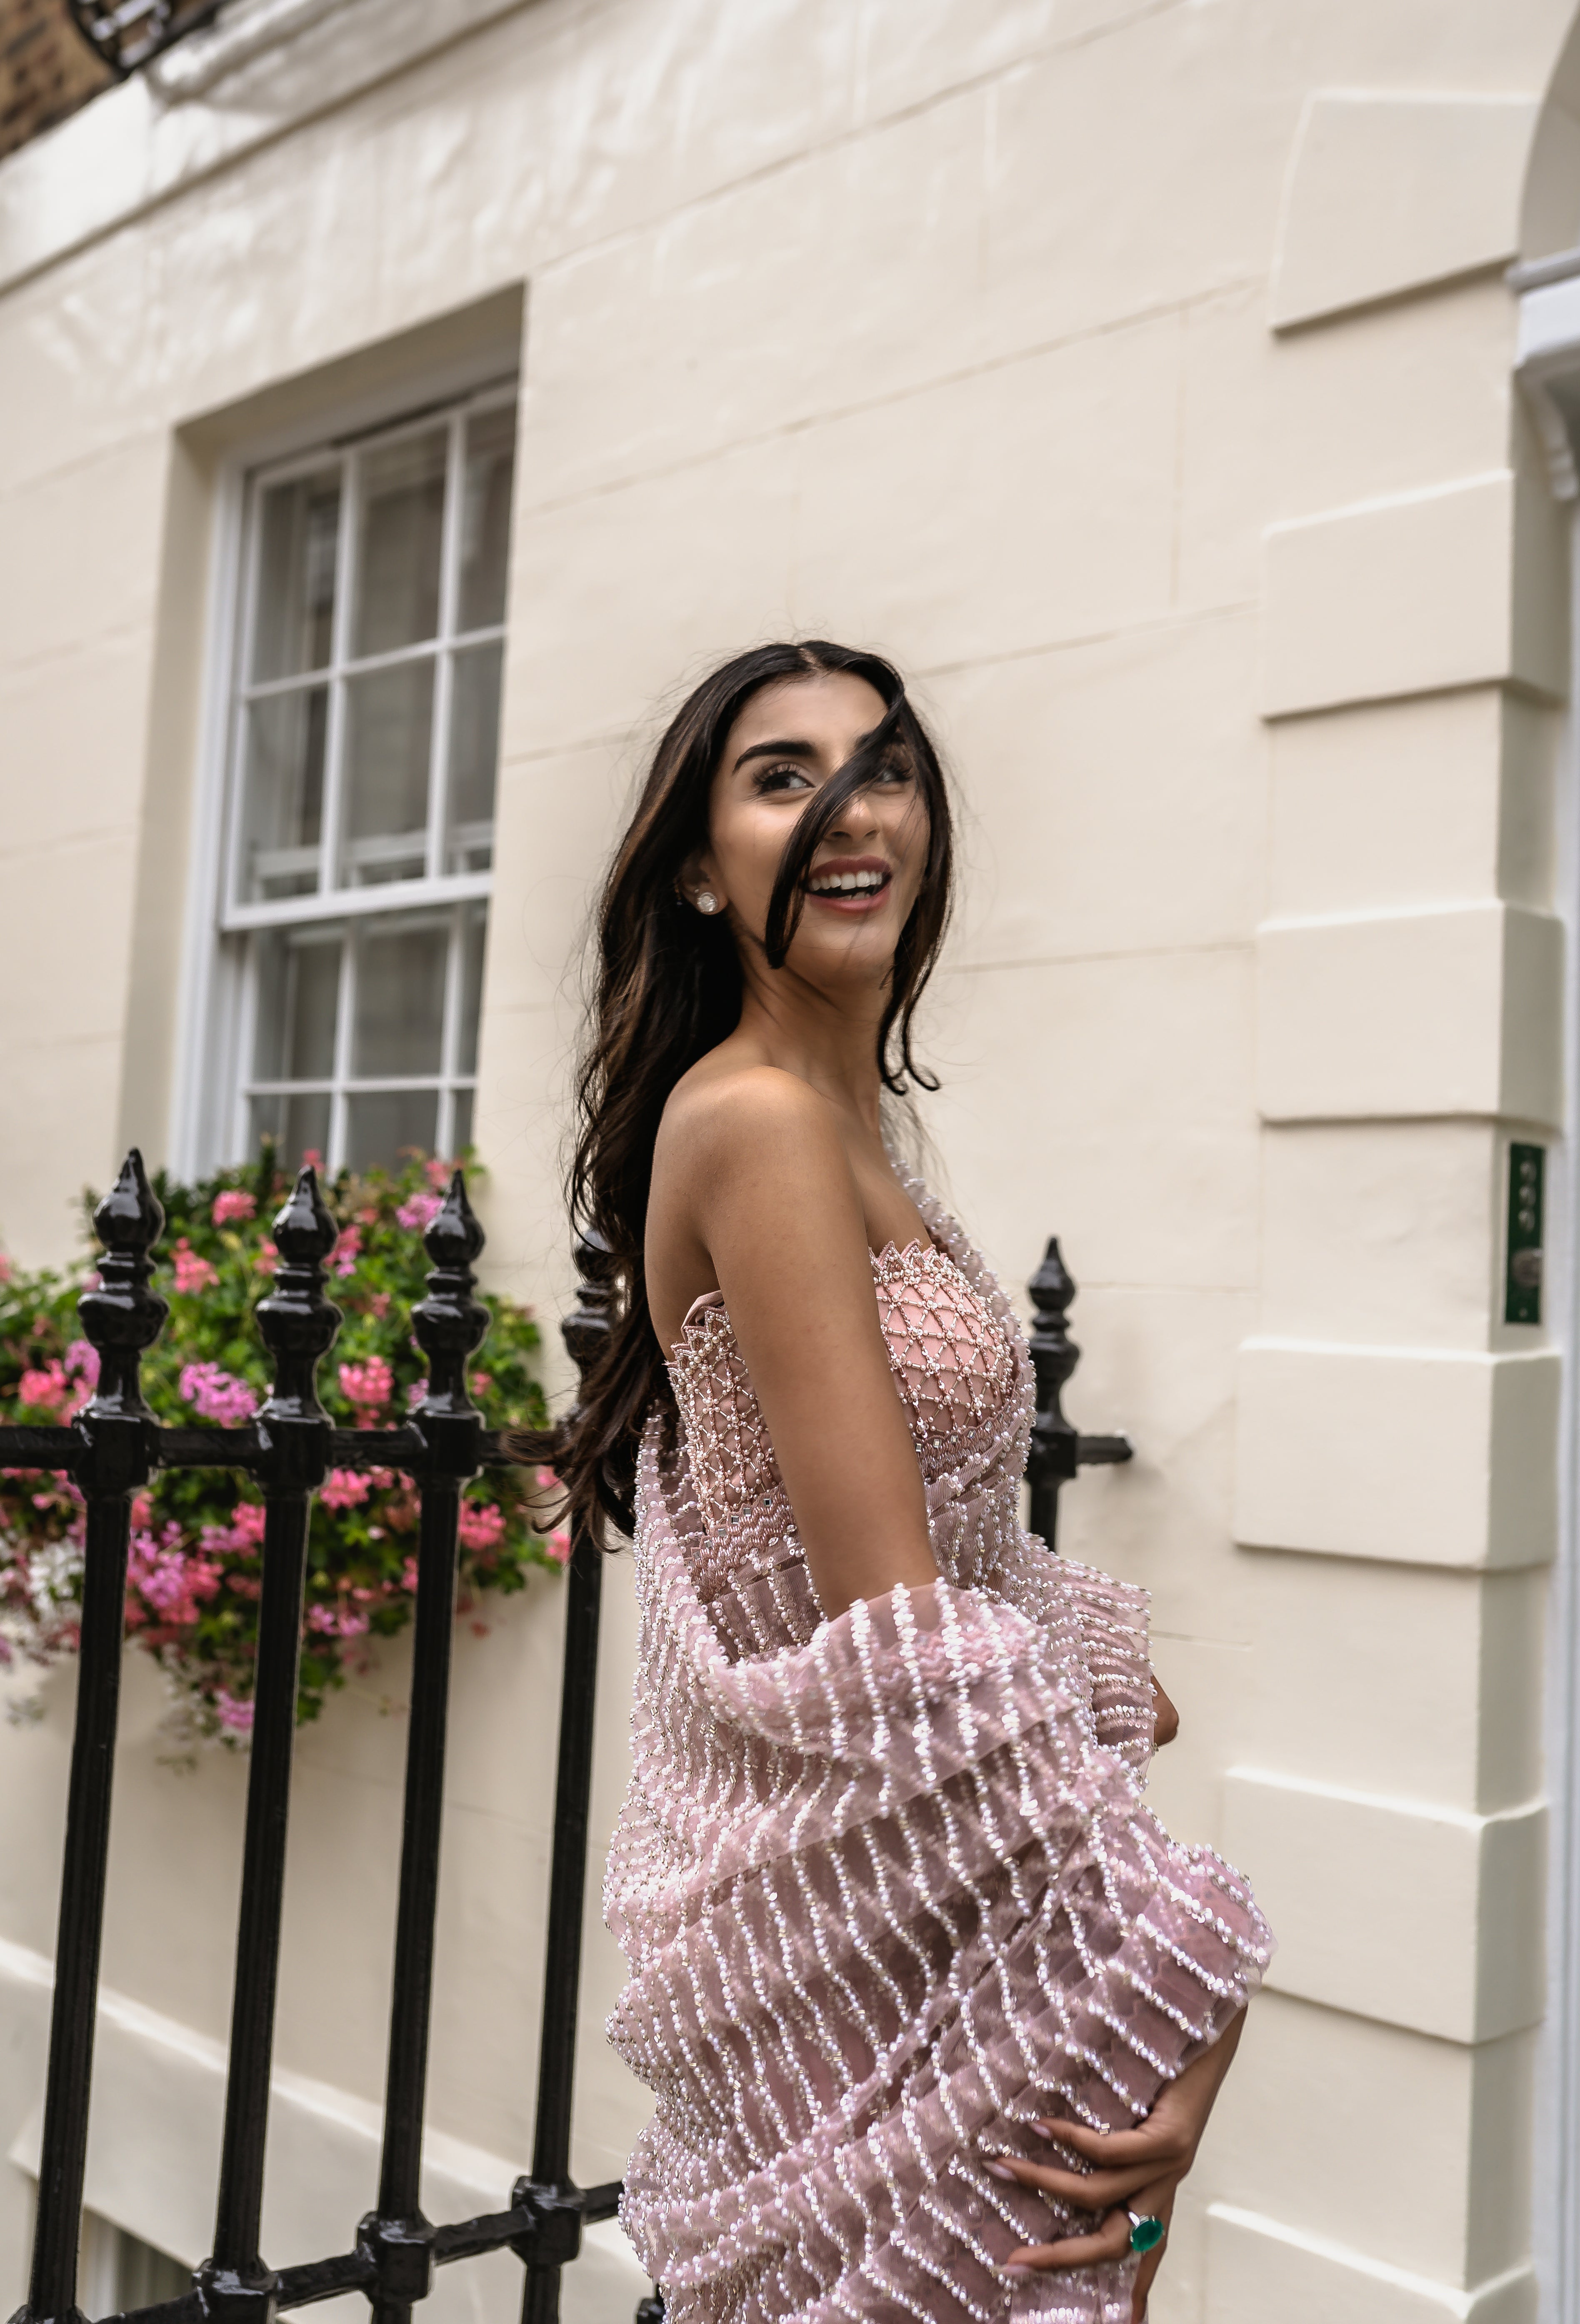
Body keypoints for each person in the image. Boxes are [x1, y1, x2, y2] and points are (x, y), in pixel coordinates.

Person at [539, 642, 1271, 2324]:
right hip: (864, 1954)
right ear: (694, 868)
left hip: (942, 1912)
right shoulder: (760, 1126)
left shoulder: (846, 1125)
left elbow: (945, 1561)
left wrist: (1094, 1669)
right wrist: (1193, 1979)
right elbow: (905, 1645)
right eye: (780, 777)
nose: (850, 812)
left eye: (883, 768)